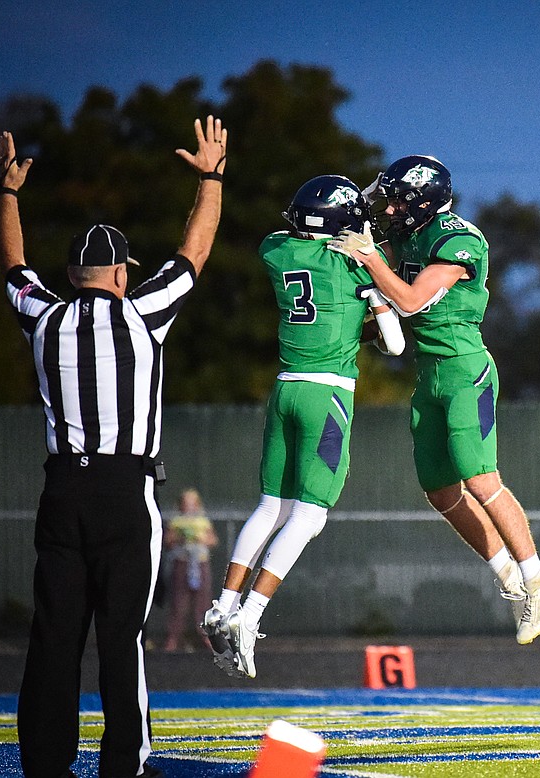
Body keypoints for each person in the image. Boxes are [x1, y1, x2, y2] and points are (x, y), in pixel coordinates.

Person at [0, 115, 226, 778]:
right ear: (122, 275)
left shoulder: (46, 315)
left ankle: (44, 765)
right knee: (121, 638)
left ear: (71, 274)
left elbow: (12, 265)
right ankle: (123, 764)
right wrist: (210, 177)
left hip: (63, 490)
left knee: (54, 637)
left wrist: (7, 194)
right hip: (127, 492)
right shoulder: (142, 312)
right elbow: (195, 252)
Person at [330, 155, 540, 645]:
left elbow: (411, 300)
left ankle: (537, 575)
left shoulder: (459, 237)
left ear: (422, 203)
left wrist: (372, 259)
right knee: (439, 488)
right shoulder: (409, 233)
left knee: (480, 478)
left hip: (464, 370)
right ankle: (509, 578)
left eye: (395, 201)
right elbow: (384, 295)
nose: (387, 209)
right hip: (430, 373)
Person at [202, 175, 404, 679]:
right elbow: (396, 346)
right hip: (328, 392)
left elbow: (289, 236)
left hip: (285, 387)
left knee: (272, 506)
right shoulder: (351, 265)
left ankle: (224, 605)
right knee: (310, 516)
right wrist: (374, 284)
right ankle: (250, 617)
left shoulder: (277, 252)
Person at [163, 488, 218, 652]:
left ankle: (206, 638)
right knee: (179, 602)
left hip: (200, 564)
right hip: (182, 563)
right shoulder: (176, 521)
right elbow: (168, 541)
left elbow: (212, 540)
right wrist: (181, 537)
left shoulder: (203, 521)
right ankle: (172, 639)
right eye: (186, 503)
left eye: (193, 503)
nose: (189, 506)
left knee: (202, 602)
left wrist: (201, 539)